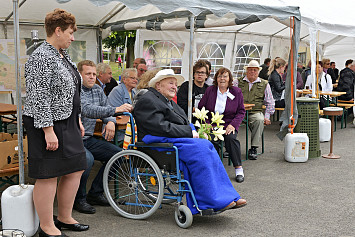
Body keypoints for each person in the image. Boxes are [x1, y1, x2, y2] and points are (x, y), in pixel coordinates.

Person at [133, 69, 247, 215]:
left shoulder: (165, 100)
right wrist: (190, 132)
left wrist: (196, 131)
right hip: (156, 143)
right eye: (171, 83)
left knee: (207, 146)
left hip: (170, 139)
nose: (175, 87)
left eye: (175, 84)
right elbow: (161, 128)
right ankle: (210, 201)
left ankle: (226, 196)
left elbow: (184, 122)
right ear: (158, 85)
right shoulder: (148, 99)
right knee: (201, 150)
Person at [22, 9, 89, 237]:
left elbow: (70, 91)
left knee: (76, 167)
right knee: (48, 174)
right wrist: (48, 131)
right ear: (58, 30)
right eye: (70, 33)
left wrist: (77, 119)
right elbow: (38, 96)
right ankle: (46, 226)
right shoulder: (41, 56)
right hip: (46, 123)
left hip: (67, 120)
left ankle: (64, 217)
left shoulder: (61, 54)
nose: (72, 38)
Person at [75, 60, 132, 214]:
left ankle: (96, 193)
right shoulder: (75, 90)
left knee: (119, 155)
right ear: (79, 75)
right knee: (87, 160)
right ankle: (79, 199)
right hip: (73, 140)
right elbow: (87, 110)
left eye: (94, 74)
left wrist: (111, 122)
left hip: (89, 139)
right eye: (88, 74)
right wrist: (114, 111)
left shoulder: (97, 90)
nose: (92, 77)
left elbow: (105, 109)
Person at [198, 67, 246, 183]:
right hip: (212, 124)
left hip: (229, 124)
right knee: (211, 140)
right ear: (216, 79)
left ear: (229, 79)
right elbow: (201, 108)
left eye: (225, 76)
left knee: (231, 139)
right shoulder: (210, 90)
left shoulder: (236, 92)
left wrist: (233, 125)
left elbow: (241, 111)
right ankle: (214, 170)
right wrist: (207, 124)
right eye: (219, 76)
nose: (222, 79)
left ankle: (238, 168)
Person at [235, 60, 275, 160]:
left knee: (259, 120)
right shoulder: (237, 82)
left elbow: (270, 102)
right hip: (238, 112)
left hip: (255, 112)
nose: (252, 72)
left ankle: (253, 148)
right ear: (246, 71)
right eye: (250, 70)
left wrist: (267, 117)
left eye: (255, 70)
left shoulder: (265, 84)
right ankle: (228, 147)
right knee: (228, 120)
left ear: (258, 72)